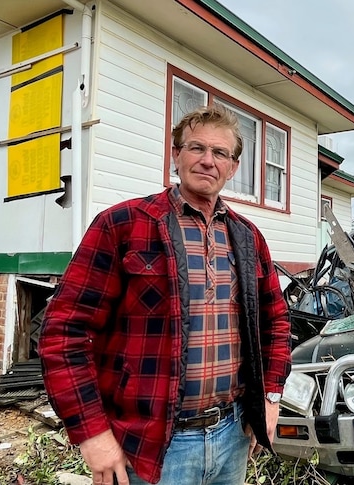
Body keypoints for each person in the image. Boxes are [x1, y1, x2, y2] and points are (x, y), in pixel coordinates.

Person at [39, 105, 292, 485]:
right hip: (152, 445)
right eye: (196, 148)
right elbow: (64, 333)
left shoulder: (248, 237)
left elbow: (276, 324)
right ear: (175, 156)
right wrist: (92, 433)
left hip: (233, 436)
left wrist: (269, 402)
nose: (208, 161)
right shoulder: (123, 225)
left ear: (233, 168)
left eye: (220, 153)